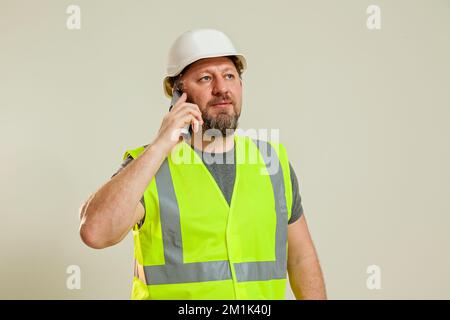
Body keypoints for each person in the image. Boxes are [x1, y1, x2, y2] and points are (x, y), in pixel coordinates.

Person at [79, 28, 326, 300]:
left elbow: (301, 258)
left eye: (229, 75)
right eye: (206, 78)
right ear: (178, 94)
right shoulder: (147, 165)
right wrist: (162, 143)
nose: (222, 88)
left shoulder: (272, 161)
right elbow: (96, 232)